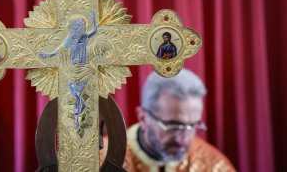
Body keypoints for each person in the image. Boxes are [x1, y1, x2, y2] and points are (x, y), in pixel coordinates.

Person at [100, 69, 235, 171]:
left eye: (193, 125)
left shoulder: (214, 165)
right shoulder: (100, 159)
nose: (183, 139)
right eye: (172, 125)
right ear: (143, 117)